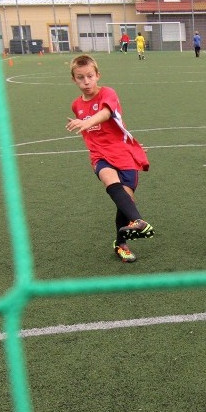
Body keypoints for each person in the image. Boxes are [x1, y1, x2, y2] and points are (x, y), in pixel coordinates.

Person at [65, 54, 154, 263]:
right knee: (109, 180)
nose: (86, 82)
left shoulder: (108, 93)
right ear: (74, 80)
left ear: (97, 75)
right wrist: (83, 122)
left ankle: (120, 243)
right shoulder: (76, 105)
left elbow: (106, 113)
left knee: (125, 199)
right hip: (99, 155)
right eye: (80, 78)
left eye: (89, 76)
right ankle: (138, 221)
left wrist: (85, 123)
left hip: (123, 153)